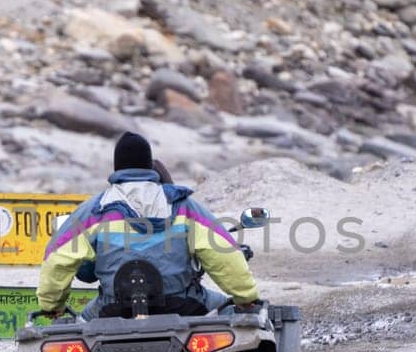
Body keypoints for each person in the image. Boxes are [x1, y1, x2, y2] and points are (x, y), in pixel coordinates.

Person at [36, 132, 259, 319]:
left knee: (81, 323)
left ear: (117, 165)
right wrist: (245, 297)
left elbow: (57, 259)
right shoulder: (183, 206)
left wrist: (51, 305)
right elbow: (223, 253)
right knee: (230, 311)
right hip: (181, 304)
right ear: (148, 162)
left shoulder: (95, 210)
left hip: (112, 309)